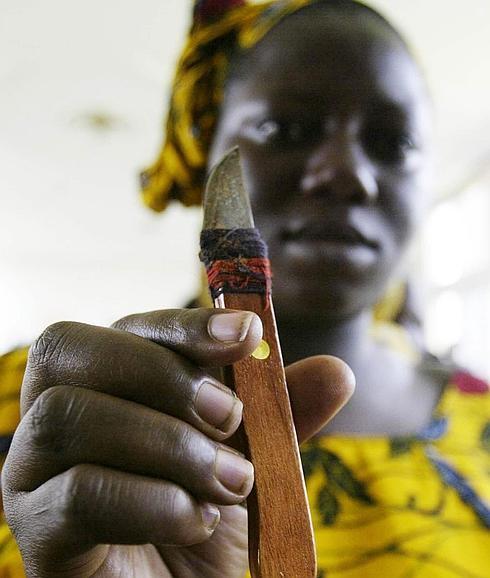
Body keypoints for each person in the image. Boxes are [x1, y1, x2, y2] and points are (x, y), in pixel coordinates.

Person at [1, 1, 489, 576]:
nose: (347, 172)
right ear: (203, 150)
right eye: (286, 129)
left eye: (394, 144)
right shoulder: (33, 414)